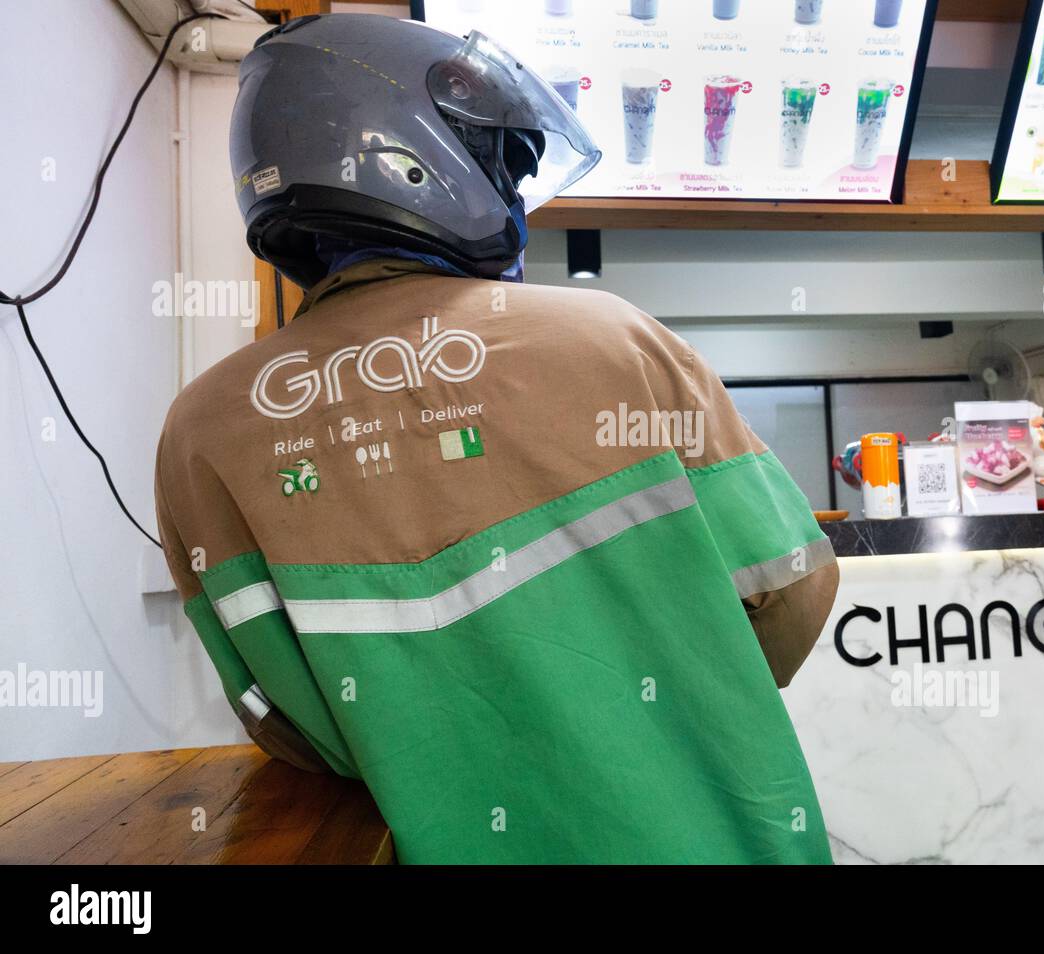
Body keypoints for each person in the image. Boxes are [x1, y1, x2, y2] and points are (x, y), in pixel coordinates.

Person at [155, 13, 839, 864]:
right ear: (422, 156)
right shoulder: (609, 341)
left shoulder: (200, 431)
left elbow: (286, 727)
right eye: (505, 168)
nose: (513, 199)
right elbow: (793, 594)